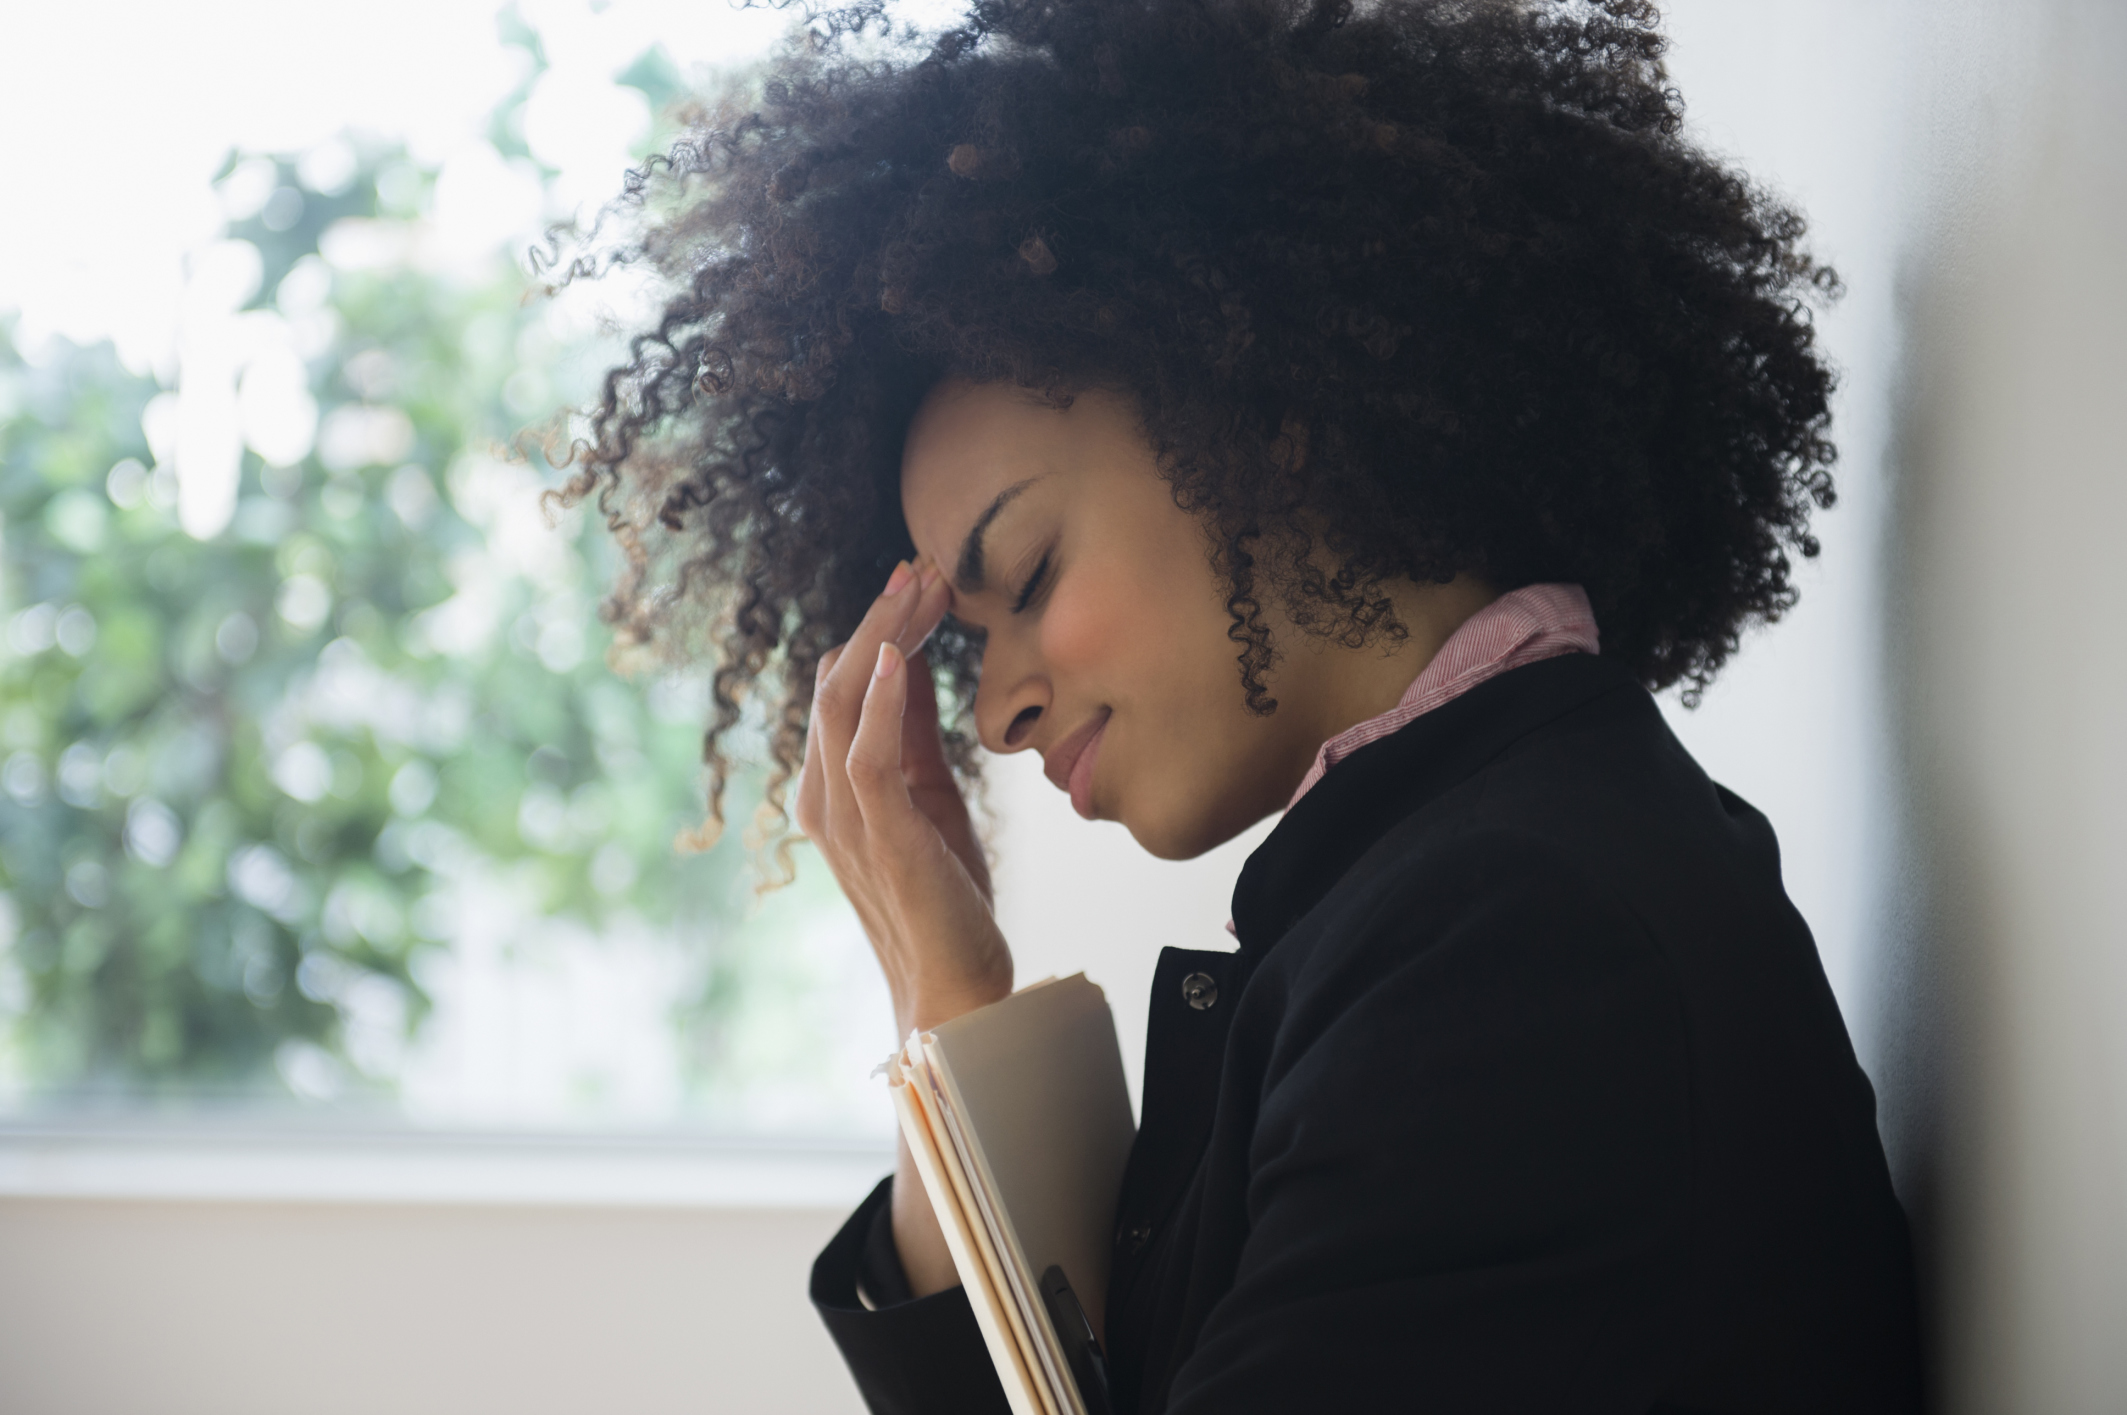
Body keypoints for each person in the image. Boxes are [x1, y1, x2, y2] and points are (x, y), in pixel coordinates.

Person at [564, 0, 1922, 1409]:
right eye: (964, 653)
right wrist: (945, 1005)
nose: (992, 722)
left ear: (1262, 421)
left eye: (1023, 576)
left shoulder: (1515, 944)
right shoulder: (1462, 882)